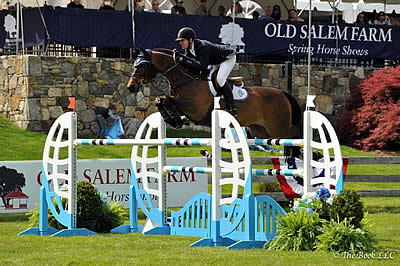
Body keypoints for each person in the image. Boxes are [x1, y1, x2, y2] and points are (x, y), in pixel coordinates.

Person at [175, 27, 238, 116]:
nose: (180, 43)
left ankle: (232, 106)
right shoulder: (188, 49)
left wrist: (185, 62)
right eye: (180, 41)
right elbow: (188, 64)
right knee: (206, 78)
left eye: (182, 40)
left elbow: (202, 67)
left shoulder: (202, 47)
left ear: (190, 40)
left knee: (220, 79)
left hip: (227, 58)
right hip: (215, 61)